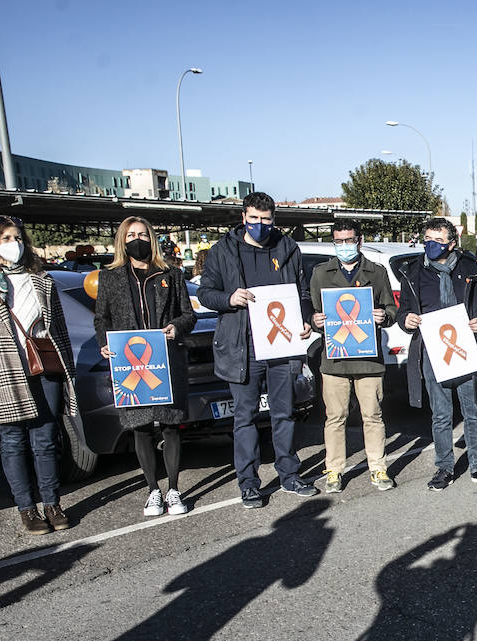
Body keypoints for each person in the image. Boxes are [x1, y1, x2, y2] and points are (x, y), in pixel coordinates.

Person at [0, 216, 77, 534]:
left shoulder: (40, 278)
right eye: (6, 238)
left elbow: (59, 329)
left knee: (47, 439)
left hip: (43, 367)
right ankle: (27, 508)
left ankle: (52, 503)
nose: (14, 244)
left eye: (17, 237)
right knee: (12, 441)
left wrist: (68, 371)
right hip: (1, 370)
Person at [199, 191, 315, 509]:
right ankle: (249, 484)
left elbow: (302, 291)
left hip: (281, 345)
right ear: (243, 218)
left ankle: (290, 475)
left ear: (274, 219)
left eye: (266, 219)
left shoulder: (287, 247)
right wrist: (228, 299)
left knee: (284, 414)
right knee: (245, 418)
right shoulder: (222, 251)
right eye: (254, 219)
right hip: (243, 348)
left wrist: (305, 318)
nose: (260, 225)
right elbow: (205, 292)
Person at [94, 216, 197, 516]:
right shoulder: (110, 277)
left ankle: (174, 490)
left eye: (141, 234)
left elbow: (188, 315)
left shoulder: (171, 274)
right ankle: (153, 490)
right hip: (131, 363)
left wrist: (176, 327)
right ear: (122, 241)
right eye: (130, 235)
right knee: (140, 428)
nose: (136, 240)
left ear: (151, 238)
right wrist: (104, 341)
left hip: (165, 359)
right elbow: (102, 318)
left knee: (170, 426)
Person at [395, 217, 477, 491]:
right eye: (427, 239)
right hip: (432, 350)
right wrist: (406, 319)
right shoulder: (412, 272)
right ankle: (444, 467)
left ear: (452, 244)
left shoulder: (469, 268)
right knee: (441, 414)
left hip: (464, 347)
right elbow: (403, 309)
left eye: (438, 240)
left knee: (472, 411)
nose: (431, 244)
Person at [308, 219, 397, 494]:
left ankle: (378, 467)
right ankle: (334, 470)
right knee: (335, 417)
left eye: (349, 240)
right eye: (338, 241)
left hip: (368, 359)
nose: (344, 246)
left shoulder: (377, 272)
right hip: (334, 359)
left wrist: (384, 316)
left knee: (373, 415)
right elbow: (312, 311)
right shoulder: (321, 273)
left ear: (359, 241)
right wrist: (315, 321)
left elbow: (391, 309)